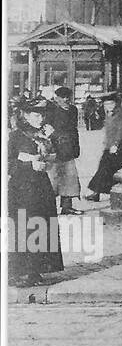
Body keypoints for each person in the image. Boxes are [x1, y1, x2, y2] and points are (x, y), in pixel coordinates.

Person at [7, 100, 63, 287]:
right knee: (22, 227)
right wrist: (28, 164)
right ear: (26, 116)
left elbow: (65, 153)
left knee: (41, 226)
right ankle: (15, 272)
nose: (41, 119)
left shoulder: (45, 134)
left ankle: (34, 270)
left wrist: (54, 137)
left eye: (42, 115)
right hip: (21, 188)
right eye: (37, 115)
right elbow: (7, 163)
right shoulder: (16, 135)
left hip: (41, 186)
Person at [84, 93, 122, 202]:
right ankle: (98, 193)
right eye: (106, 104)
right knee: (105, 169)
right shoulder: (109, 114)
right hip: (110, 147)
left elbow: (121, 131)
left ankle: (97, 193)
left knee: (106, 169)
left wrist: (116, 144)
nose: (109, 106)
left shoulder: (120, 115)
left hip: (120, 148)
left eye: (111, 103)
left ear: (116, 103)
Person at [45, 87, 83, 216]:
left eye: (67, 97)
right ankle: (48, 208)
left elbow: (74, 129)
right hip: (54, 148)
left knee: (70, 178)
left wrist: (76, 147)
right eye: (62, 97)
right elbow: (46, 128)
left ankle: (67, 207)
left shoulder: (73, 110)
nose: (65, 99)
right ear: (56, 97)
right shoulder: (50, 109)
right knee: (52, 178)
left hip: (68, 148)